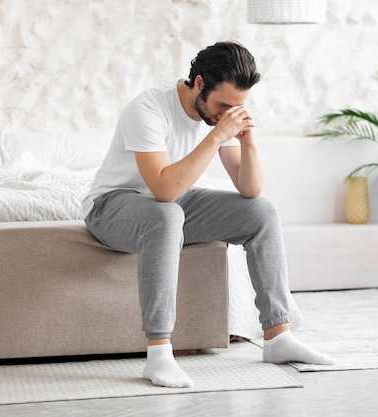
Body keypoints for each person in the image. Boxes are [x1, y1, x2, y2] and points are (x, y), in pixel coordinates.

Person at [82, 41, 334, 388]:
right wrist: (217, 135)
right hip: (114, 206)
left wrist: (247, 141)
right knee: (167, 215)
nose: (227, 113)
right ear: (199, 83)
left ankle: (277, 336)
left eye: (238, 105)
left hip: (174, 202)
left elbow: (250, 191)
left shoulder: (220, 114)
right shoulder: (149, 109)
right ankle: (158, 353)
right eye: (223, 105)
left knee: (262, 212)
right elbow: (163, 190)